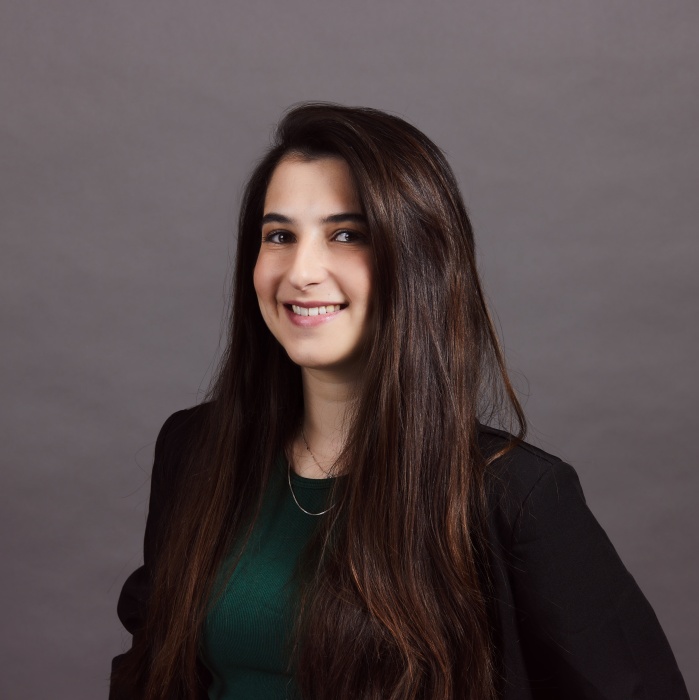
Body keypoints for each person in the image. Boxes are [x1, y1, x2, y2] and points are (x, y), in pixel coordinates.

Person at [110, 104, 689, 700]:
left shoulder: (515, 498)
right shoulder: (195, 451)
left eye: (346, 234)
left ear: (419, 260)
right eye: (279, 236)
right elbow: (150, 670)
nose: (302, 271)